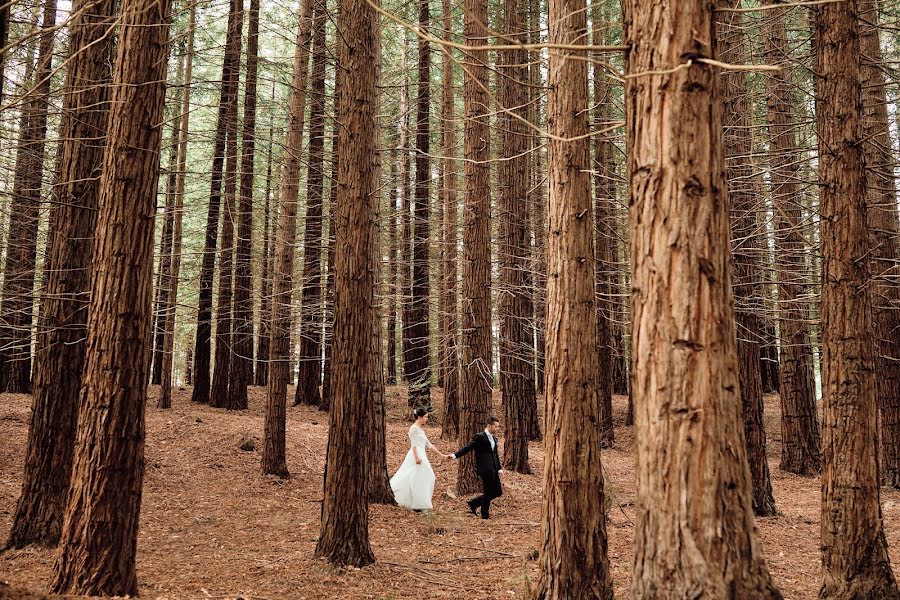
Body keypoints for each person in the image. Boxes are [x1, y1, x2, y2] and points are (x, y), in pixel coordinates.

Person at [448, 416, 503, 519]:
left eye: (498, 427)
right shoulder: (480, 437)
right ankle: (484, 515)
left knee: (497, 492)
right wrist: (454, 455)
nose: (497, 429)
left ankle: (474, 503)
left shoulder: (494, 438)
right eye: (495, 427)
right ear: (489, 425)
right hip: (485, 468)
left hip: (494, 468)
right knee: (487, 491)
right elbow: (468, 448)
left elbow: (495, 454)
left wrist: (499, 468)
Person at [390, 408, 444, 512]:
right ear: (420, 417)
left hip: (422, 454)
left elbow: (429, 444)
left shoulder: (421, 430)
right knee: (419, 475)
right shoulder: (413, 428)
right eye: (426, 417)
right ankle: (416, 503)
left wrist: (441, 454)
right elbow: (413, 445)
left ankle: (420, 502)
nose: (427, 419)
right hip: (416, 455)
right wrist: (416, 458)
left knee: (424, 477)